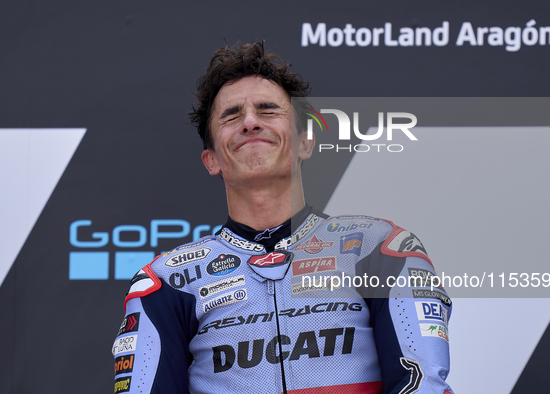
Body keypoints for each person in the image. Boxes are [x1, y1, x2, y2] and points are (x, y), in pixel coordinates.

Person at [112, 42, 454, 394]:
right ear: (211, 159)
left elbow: (421, 385)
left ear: (305, 143)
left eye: (268, 110)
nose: (249, 122)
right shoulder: (167, 282)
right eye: (231, 115)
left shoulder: (379, 249)